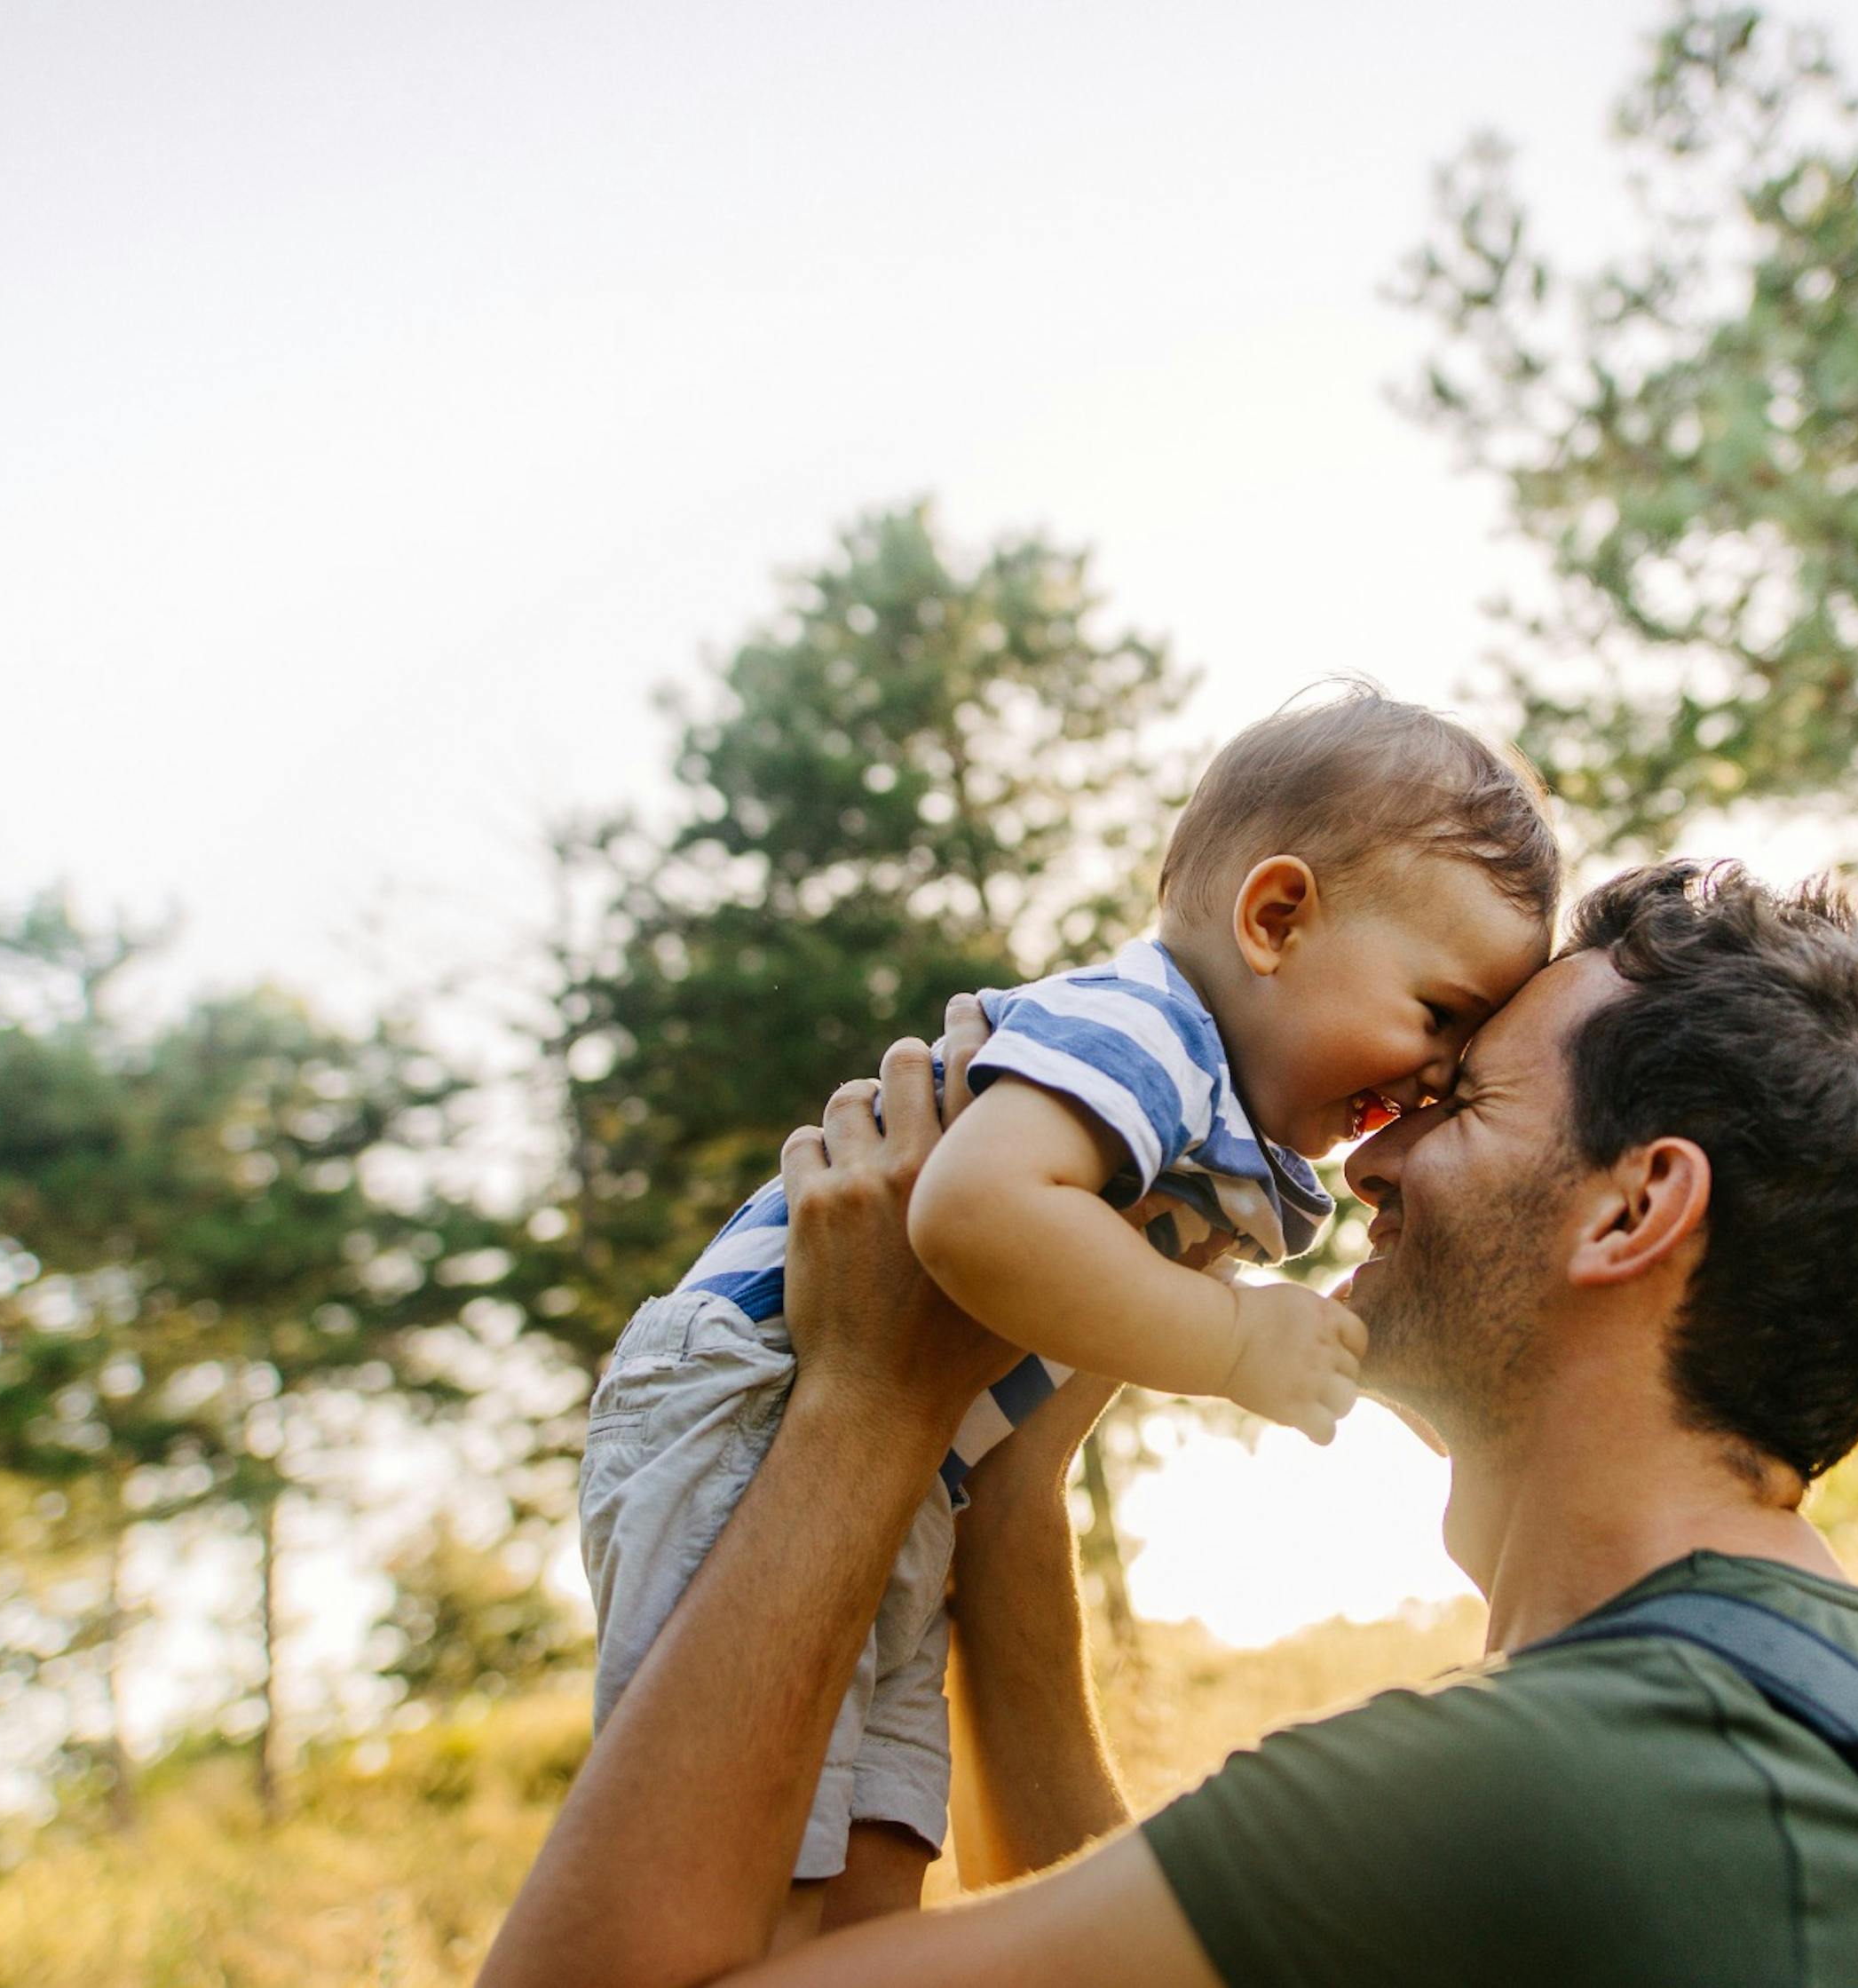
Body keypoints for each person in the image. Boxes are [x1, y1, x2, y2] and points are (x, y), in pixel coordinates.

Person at [485, 857, 1858, 1987]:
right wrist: (1013, 1472)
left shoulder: (1549, 1783)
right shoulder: (1850, 1720)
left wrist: (861, 1405)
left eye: (1457, 1102)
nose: (1367, 1162)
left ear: (1632, 1212)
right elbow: (1136, 1925)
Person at [575, 687, 1562, 1930]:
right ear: (1276, 918)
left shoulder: (1213, 1126)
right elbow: (972, 1212)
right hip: (750, 1399)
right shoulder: (1141, 1028)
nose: (1434, 1077)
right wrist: (1233, 1337)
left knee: (879, 1854)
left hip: (907, 1465)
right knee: (747, 1853)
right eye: (1439, 1015)